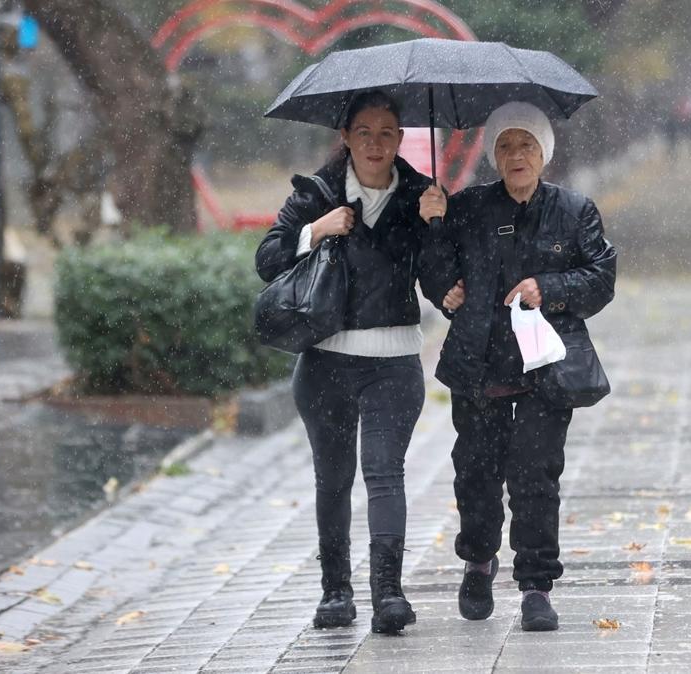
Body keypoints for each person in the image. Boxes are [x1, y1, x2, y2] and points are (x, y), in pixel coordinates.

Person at [418, 101, 616, 632]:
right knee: (476, 476)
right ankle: (478, 563)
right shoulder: (467, 209)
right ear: (493, 156)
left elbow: (601, 280)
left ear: (544, 152)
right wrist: (435, 233)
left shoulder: (574, 212)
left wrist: (547, 288)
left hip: (543, 375)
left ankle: (535, 587)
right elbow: (435, 274)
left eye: (526, 144)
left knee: (535, 479)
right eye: (505, 146)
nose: (516, 155)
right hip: (477, 370)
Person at [255, 91, 442, 634]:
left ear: (401, 138)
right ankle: (336, 592)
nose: (376, 144)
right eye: (364, 132)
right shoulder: (314, 193)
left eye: (387, 132)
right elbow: (267, 260)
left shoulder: (419, 197)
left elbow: (435, 279)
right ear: (346, 137)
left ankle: (389, 594)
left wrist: (435, 225)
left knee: (385, 474)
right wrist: (316, 230)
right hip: (325, 366)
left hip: (394, 361)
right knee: (333, 478)